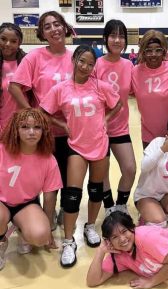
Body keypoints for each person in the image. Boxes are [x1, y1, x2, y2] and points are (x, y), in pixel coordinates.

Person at [40, 45, 122, 268]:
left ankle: (90, 227)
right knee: (71, 195)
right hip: (76, 145)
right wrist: (62, 124)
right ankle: (69, 241)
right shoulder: (61, 89)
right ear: (74, 60)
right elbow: (44, 112)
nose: (86, 67)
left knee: (96, 190)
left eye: (90, 63)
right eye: (82, 61)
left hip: (99, 144)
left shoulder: (101, 86)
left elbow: (119, 103)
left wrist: (106, 119)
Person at [8, 11, 76, 229]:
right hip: (42, 133)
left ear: (64, 27)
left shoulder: (75, 57)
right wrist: (33, 115)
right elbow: (14, 86)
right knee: (40, 176)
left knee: (67, 174)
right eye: (47, 27)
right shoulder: (34, 57)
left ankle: (66, 209)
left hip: (69, 130)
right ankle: (38, 214)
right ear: (42, 34)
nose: (54, 29)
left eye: (57, 24)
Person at [0, 108, 62, 270]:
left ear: (44, 131)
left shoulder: (49, 160)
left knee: (40, 236)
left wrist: (48, 229)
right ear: (16, 130)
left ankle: (22, 229)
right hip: (1, 202)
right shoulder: (2, 150)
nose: (31, 132)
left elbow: (49, 198)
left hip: (26, 204)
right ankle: (1, 241)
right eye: (25, 127)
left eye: (37, 127)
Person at [93, 19, 136, 216]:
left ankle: (121, 204)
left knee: (129, 169)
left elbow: (137, 91)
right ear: (106, 38)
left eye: (121, 36)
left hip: (120, 128)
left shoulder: (129, 65)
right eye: (113, 35)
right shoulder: (97, 64)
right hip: (98, 128)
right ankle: (109, 206)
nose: (117, 40)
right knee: (102, 171)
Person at [132, 29, 168, 149]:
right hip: (148, 134)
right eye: (149, 50)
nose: (153, 54)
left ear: (164, 51)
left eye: (158, 50)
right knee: (150, 166)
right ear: (143, 52)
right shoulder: (135, 71)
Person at [0, 23, 30, 132]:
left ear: (19, 43)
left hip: (26, 122)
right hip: (4, 123)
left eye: (13, 41)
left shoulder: (27, 62)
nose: (7, 44)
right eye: (3, 39)